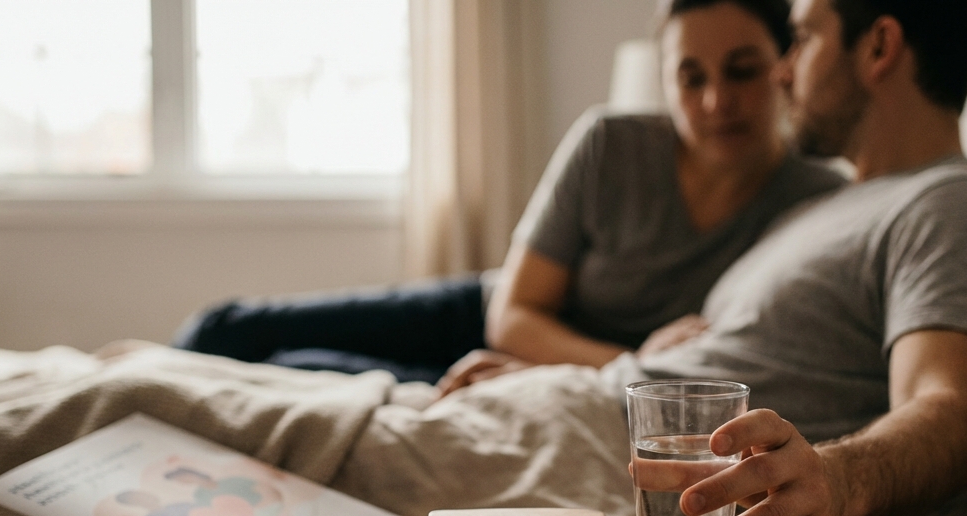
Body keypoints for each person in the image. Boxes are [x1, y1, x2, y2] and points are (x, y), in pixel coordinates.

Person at [470, 0, 967, 516]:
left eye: (801, 41)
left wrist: (836, 480)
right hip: (569, 411)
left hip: (617, 465)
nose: (783, 70)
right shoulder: (824, 205)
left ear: (878, 48)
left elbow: (948, 410)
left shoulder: (953, 205)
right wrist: (563, 376)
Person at [173, 0, 845, 385]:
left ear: (785, 68)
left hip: (548, 381)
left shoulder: (817, 202)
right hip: (490, 314)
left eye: (742, 71)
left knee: (297, 372)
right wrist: (631, 363)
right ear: (665, 82)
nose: (716, 100)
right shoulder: (610, 143)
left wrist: (580, 378)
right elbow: (514, 314)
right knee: (227, 332)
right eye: (689, 77)